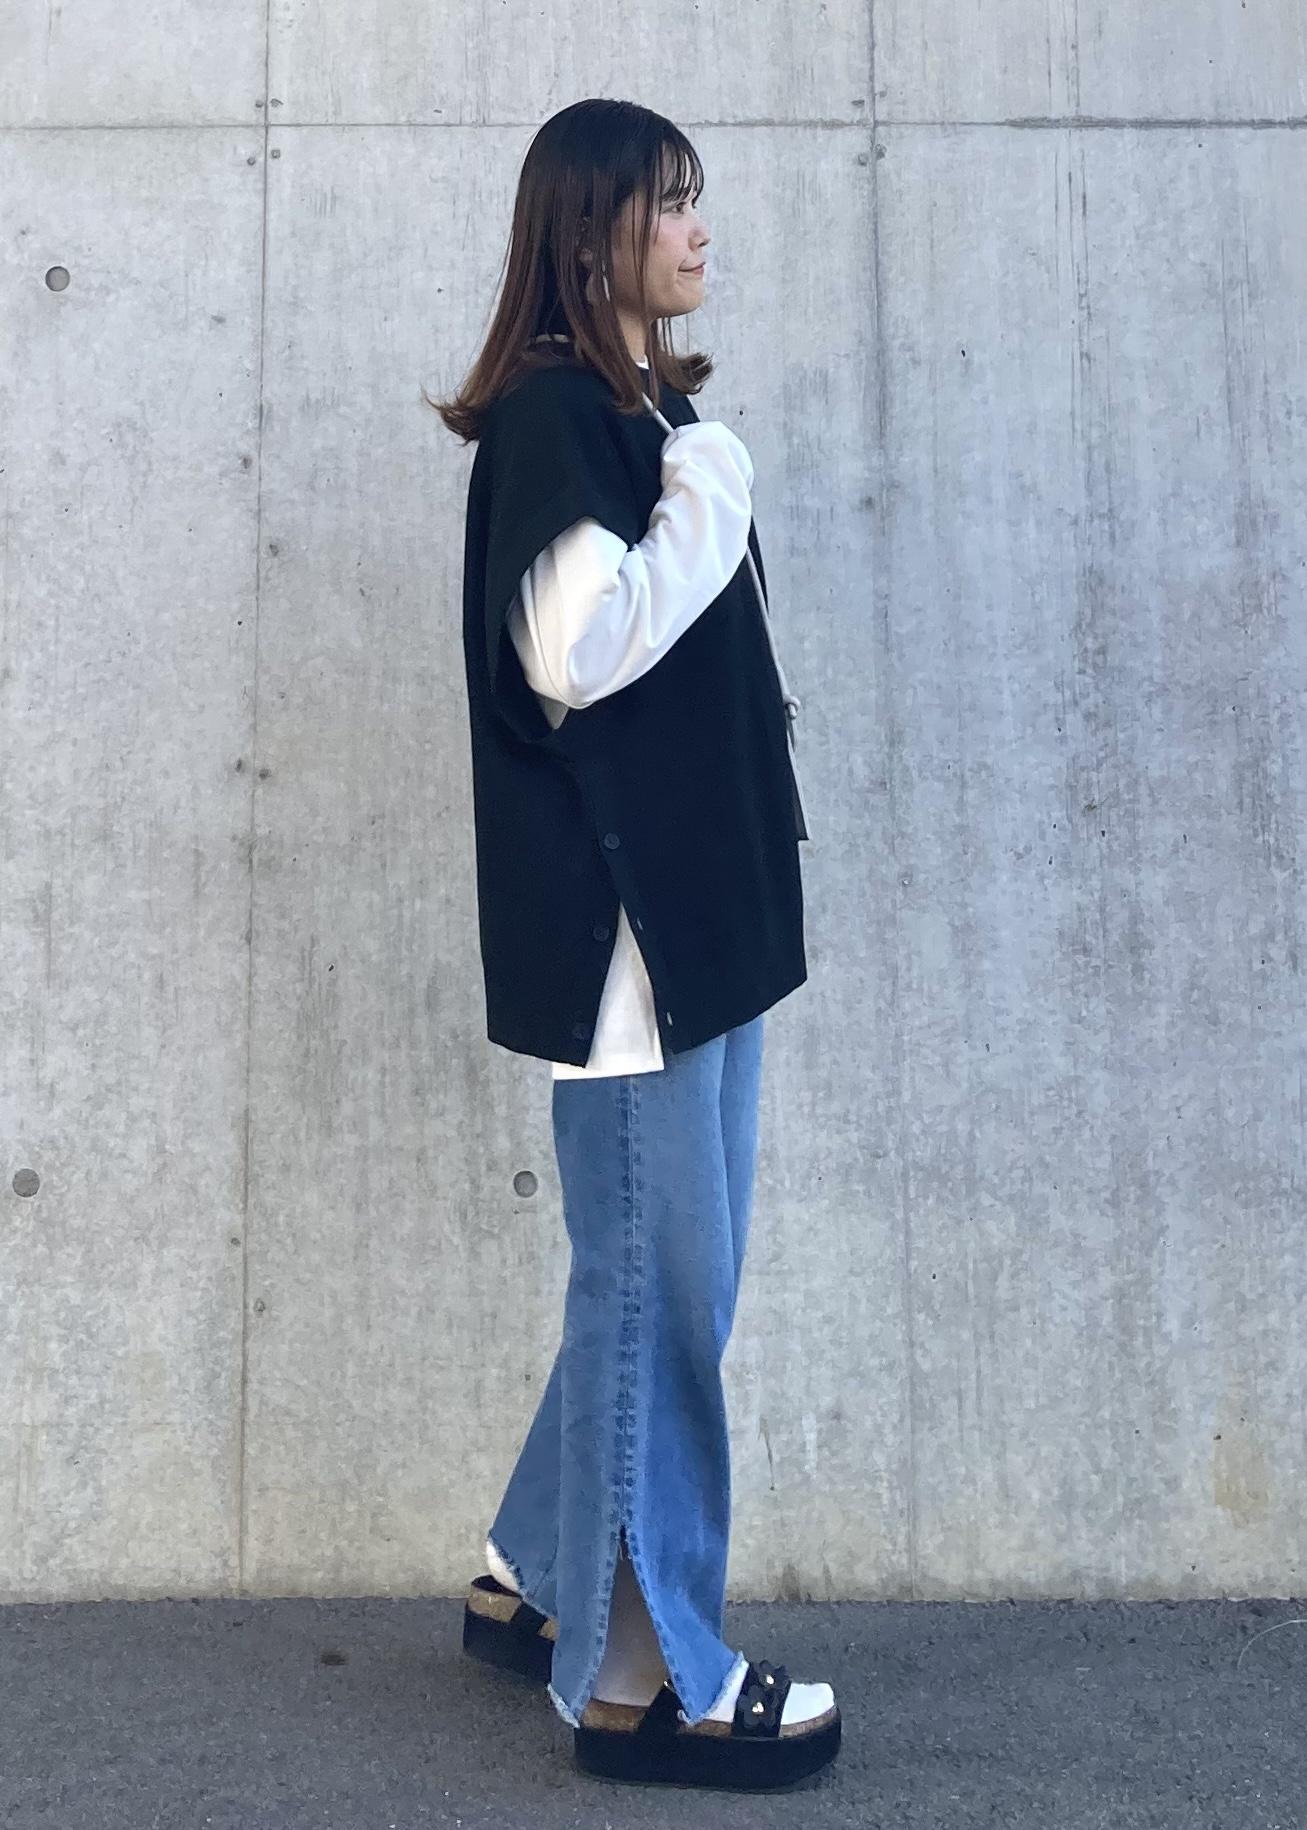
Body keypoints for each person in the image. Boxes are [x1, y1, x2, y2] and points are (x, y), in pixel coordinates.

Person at [430, 96, 840, 1792]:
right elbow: (579, 654)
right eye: (669, 204)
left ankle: (535, 1567)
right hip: (634, 955)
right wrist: (714, 491)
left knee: (675, 1275)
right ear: (591, 233)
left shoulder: (637, 410)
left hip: (702, 933)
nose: (697, 229)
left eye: (695, 201)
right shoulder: (561, 417)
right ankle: (643, 1674)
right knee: (656, 1290)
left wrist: (690, 459)